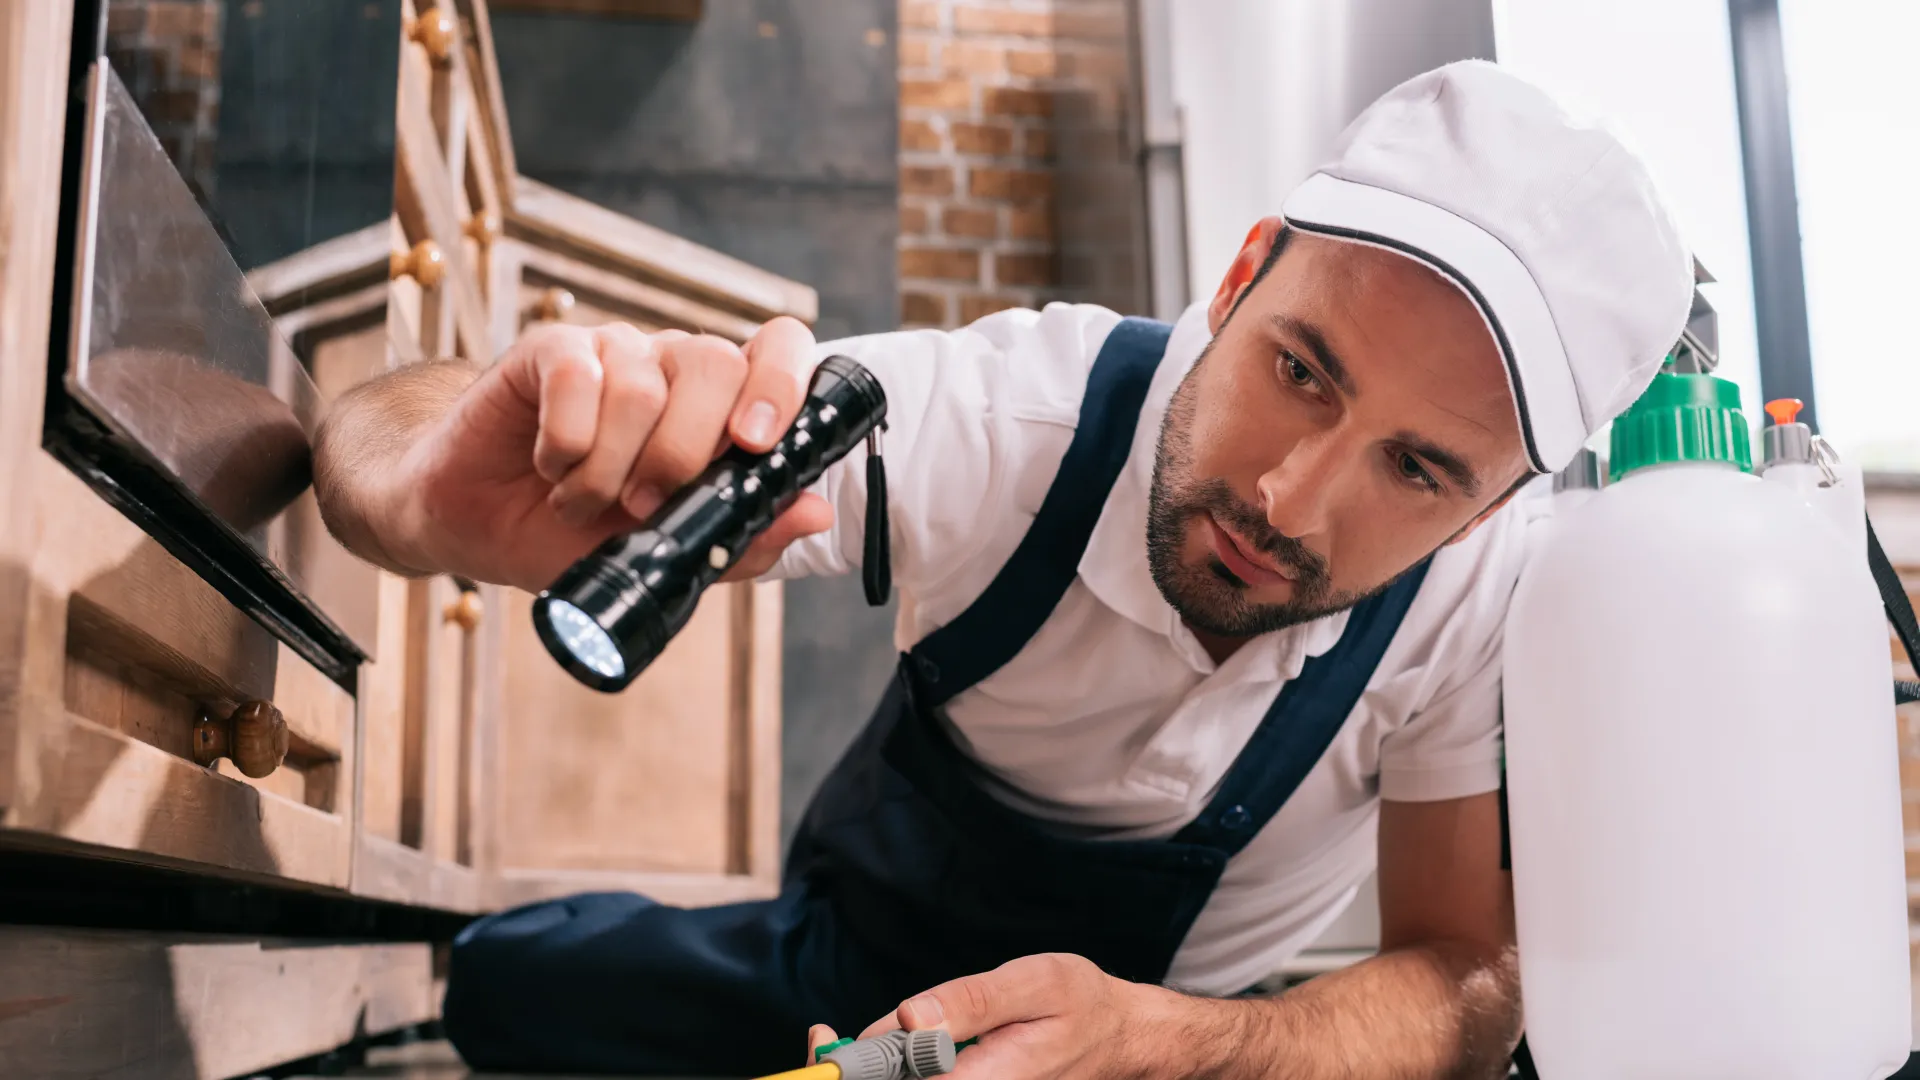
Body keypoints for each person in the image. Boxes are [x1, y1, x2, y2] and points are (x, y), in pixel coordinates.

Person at [312, 60, 1691, 1079]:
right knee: (510, 991)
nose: (1289, 501)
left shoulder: (1483, 603)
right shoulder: (1007, 422)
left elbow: (1463, 970)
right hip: (844, 968)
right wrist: (433, 479)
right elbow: (380, 430)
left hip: (1170, 1044)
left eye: (1419, 470)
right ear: (1243, 272)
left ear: (1502, 500)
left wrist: (1179, 1050)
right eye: (1300, 370)